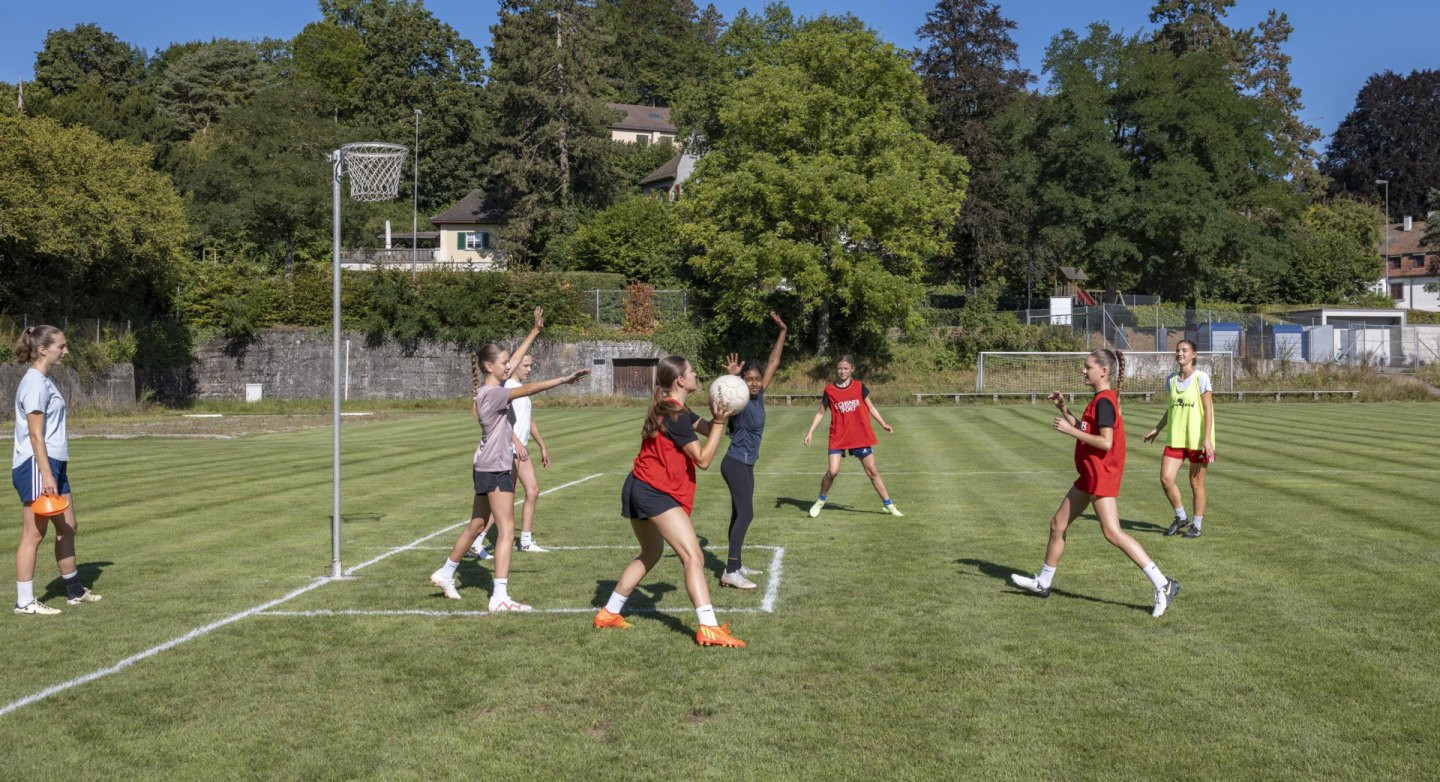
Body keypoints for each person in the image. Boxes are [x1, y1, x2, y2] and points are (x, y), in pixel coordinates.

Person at [429, 308, 588, 611]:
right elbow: (528, 388)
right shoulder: (493, 394)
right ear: (490, 366)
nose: (509, 365)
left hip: (484, 464)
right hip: (498, 465)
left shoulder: (492, 386)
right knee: (505, 529)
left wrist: (535, 331)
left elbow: (514, 361)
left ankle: (446, 573)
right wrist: (564, 379)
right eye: (503, 363)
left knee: (477, 524)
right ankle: (499, 596)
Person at [1009, 348, 1181, 618]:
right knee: (1058, 524)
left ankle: (1164, 584)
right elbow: (1087, 429)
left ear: (1104, 371)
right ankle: (1044, 582)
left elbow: (1105, 442)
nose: (1083, 370)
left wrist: (1070, 431)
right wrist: (1064, 410)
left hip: (1100, 475)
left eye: (1088, 366)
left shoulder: (1104, 401)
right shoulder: (1100, 399)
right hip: (1089, 475)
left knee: (1113, 533)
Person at [593, 355, 746, 648]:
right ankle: (709, 627)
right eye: (691, 371)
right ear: (680, 380)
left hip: (638, 485)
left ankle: (609, 612)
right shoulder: (674, 415)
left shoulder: (675, 408)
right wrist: (717, 421)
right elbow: (702, 460)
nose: (695, 373)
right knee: (693, 557)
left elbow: (705, 427)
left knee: (650, 553)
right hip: (654, 492)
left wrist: (726, 395)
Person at [12, 326, 101, 616]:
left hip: (55, 464)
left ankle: (74, 590)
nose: (65, 351)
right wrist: (47, 474)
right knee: (33, 534)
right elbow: (36, 436)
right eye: (61, 346)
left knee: (68, 526)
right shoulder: (35, 383)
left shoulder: (45, 381)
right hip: (39, 466)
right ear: (43, 350)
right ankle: (24, 601)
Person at [717, 312, 787, 590]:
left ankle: (736, 563)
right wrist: (732, 377)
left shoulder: (759, 395)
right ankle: (731, 571)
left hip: (746, 463)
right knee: (746, 514)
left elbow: (774, 362)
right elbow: (721, 395)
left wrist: (782, 330)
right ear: (743, 381)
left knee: (738, 513)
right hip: (735, 462)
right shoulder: (739, 399)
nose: (755, 382)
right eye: (749, 378)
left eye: (757, 378)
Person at [802, 354, 901, 518]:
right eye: (839, 368)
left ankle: (888, 505)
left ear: (852, 369)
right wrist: (810, 432)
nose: (842, 371)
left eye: (845, 368)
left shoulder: (859, 386)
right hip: (838, 435)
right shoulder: (829, 390)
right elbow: (821, 413)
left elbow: (871, 408)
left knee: (872, 472)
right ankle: (820, 500)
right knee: (832, 472)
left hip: (859, 435)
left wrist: (883, 423)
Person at [1142, 339, 1216, 538]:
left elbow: (1208, 410)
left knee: (1195, 483)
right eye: (1177, 350)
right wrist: (1157, 429)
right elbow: (1171, 410)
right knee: (1166, 478)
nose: (1180, 353)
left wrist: (1207, 439)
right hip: (1175, 438)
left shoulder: (1201, 378)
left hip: (1197, 440)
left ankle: (1197, 526)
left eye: (1184, 350)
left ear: (1194, 355)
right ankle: (1181, 516)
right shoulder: (1171, 379)